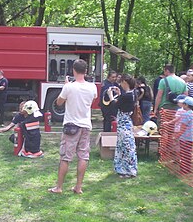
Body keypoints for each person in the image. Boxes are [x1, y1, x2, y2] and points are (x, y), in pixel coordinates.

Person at [48, 59, 97, 194]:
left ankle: (59, 187)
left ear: (73, 70)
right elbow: (92, 100)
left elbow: (58, 103)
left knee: (66, 157)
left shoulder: (69, 87)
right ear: (86, 71)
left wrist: (66, 86)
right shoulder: (92, 87)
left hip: (71, 125)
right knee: (83, 156)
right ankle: (78, 187)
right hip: (86, 125)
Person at [106, 74, 138, 178]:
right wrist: (119, 94)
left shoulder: (127, 96)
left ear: (125, 82)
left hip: (124, 123)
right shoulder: (133, 93)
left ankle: (127, 170)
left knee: (125, 147)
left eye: (121, 82)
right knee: (126, 146)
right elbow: (122, 102)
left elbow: (116, 104)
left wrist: (111, 96)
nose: (120, 84)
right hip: (127, 122)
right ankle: (127, 169)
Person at [163, 95, 193, 174]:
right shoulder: (191, 113)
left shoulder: (186, 115)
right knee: (188, 153)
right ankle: (187, 169)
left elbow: (183, 128)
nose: (182, 105)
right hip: (190, 137)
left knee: (184, 154)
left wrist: (176, 136)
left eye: (184, 104)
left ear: (186, 105)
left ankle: (183, 170)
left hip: (185, 138)